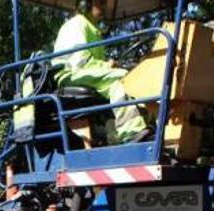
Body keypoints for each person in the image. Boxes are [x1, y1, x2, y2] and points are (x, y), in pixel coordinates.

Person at [52, 0, 149, 143]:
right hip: (70, 73)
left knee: (131, 78)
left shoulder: (93, 29)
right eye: (101, 2)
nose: (105, 7)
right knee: (120, 79)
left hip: (84, 73)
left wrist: (108, 65)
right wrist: (106, 66)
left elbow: (93, 64)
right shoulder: (77, 24)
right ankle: (131, 132)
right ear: (86, 3)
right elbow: (80, 61)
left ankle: (116, 136)